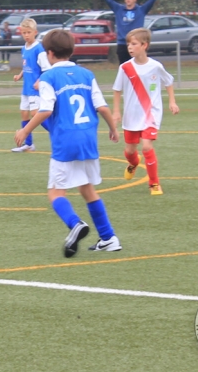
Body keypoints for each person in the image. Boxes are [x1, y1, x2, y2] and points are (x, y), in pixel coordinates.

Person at [15, 29, 122, 257]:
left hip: (66, 141)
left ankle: (75, 224)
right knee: (87, 188)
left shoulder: (48, 77)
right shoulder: (86, 74)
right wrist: (113, 128)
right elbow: (101, 106)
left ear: (50, 53)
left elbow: (46, 110)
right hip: (88, 139)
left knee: (55, 192)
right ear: (71, 51)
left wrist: (25, 130)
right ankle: (109, 237)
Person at [112, 28, 179, 196]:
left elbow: (168, 81)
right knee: (129, 151)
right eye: (128, 44)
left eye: (134, 44)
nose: (130, 47)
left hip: (151, 114)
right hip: (131, 115)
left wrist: (172, 101)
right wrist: (116, 112)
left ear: (144, 45)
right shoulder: (125, 68)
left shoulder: (156, 66)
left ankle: (154, 183)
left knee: (147, 147)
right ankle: (133, 163)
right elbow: (117, 89)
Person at [11, 18, 51, 152]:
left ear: (35, 32)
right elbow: (27, 65)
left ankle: (56, 132)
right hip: (26, 88)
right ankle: (28, 144)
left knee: (35, 114)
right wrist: (20, 75)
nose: (26, 35)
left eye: (29, 32)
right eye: (24, 32)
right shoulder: (24, 48)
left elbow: (46, 69)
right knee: (24, 114)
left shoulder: (39, 49)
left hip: (35, 89)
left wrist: (39, 81)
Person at [104, 0, 158, 64]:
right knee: (124, 68)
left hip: (136, 43)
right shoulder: (118, 9)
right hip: (122, 43)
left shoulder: (141, 10)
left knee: (138, 66)